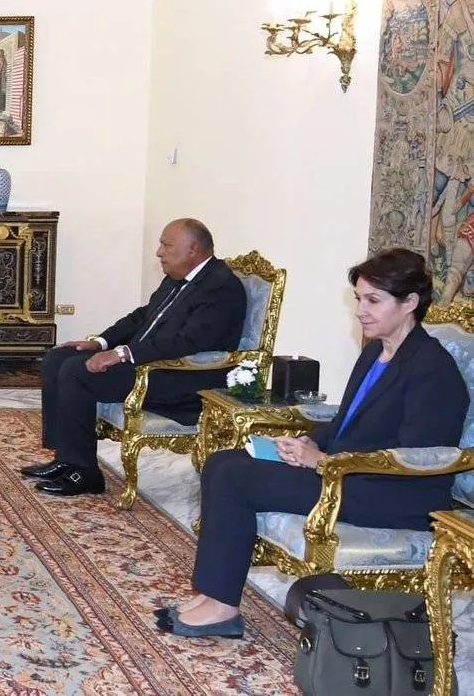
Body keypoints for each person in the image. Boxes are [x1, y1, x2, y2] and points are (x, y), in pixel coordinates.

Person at [159, 248, 468, 638]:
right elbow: (346, 423)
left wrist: (322, 461)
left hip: (393, 493)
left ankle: (221, 606)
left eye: (373, 300)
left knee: (237, 478)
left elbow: (420, 457)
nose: (361, 311)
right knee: (223, 461)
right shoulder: (376, 351)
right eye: (359, 299)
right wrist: (305, 440)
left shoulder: (432, 369)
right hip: (349, 474)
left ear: (409, 303)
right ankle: (211, 595)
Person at [21, 218, 247, 496]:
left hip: (182, 378)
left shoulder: (220, 287)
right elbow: (143, 317)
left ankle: (85, 473)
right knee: (58, 358)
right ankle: (65, 459)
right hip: (150, 364)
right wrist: (100, 342)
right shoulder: (179, 278)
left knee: (77, 372)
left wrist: (122, 353)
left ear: (193, 249)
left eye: (166, 245)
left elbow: (188, 342)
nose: (159, 252)